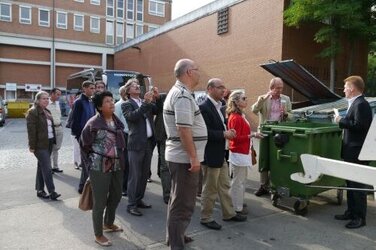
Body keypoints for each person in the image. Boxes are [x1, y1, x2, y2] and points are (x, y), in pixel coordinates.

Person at [163, 58, 208, 249]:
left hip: (181, 158)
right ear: (189, 72)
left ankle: (175, 236)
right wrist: (193, 157)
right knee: (183, 204)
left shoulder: (182, 93)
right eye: (197, 69)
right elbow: (183, 129)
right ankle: (176, 243)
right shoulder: (181, 95)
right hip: (184, 159)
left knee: (177, 199)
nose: (199, 72)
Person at [199, 78, 247, 231]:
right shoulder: (204, 107)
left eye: (224, 87)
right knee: (210, 189)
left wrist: (228, 132)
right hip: (210, 155)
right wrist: (223, 134)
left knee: (225, 186)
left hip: (220, 154)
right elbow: (202, 132)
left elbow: (221, 127)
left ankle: (229, 213)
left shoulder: (220, 106)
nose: (223, 90)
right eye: (220, 87)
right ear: (210, 89)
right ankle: (206, 218)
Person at [80, 91, 126, 247]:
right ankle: (98, 234)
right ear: (100, 106)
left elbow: (121, 144)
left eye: (112, 100)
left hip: (117, 164)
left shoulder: (117, 122)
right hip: (98, 166)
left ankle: (108, 223)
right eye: (107, 101)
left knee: (117, 195)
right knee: (100, 201)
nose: (112, 103)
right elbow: (84, 145)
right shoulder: (93, 124)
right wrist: (89, 165)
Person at [333, 76, 372, 229]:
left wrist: (340, 121)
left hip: (358, 152)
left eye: (345, 87)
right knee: (350, 184)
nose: (343, 90)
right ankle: (350, 211)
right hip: (352, 151)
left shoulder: (361, 104)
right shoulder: (355, 103)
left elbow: (361, 126)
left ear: (353, 88)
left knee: (357, 186)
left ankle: (359, 218)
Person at [121, 78, 159, 216]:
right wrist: (146, 103)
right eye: (133, 86)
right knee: (134, 176)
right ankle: (131, 205)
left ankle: (138, 199)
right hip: (136, 144)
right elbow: (132, 117)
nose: (137, 87)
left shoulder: (144, 102)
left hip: (148, 143)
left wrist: (155, 98)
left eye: (138, 85)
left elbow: (156, 109)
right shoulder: (126, 104)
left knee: (143, 175)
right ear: (128, 91)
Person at [251, 77, 291, 196]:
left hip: (280, 132)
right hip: (265, 131)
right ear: (271, 88)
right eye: (277, 88)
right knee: (264, 159)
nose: (280, 90)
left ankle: (276, 184)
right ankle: (263, 185)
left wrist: (286, 114)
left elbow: (292, 116)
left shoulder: (286, 99)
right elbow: (254, 110)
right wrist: (263, 99)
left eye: (281, 88)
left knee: (278, 158)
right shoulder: (263, 98)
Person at [227, 90, 262, 215]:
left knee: (241, 181)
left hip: (243, 152)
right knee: (238, 182)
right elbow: (234, 138)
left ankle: (238, 203)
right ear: (236, 101)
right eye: (243, 98)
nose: (246, 100)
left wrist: (252, 135)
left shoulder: (240, 115)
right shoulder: (235, 117)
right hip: (239, 153)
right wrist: (252, 135)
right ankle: (236, 207)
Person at [26, 91, 61, 200]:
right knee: (47, 167)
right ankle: (52, 192)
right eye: (44, 99)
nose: (46, 100)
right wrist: (32, 146)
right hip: (40, 145)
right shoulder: (32, 112)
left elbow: (50, 127)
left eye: (47, 98)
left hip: (49, 142)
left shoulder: (46, 110)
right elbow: (31, 132)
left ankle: (40, 190)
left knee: (41, 167)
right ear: (37, 100)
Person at [71, 80, 96, 193]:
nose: (93, 90)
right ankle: (83, 187)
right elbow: (75, 121)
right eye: (91, 88)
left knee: (88, 162)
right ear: (84, 88)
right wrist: (78, 136)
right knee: (86, 163)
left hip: (91, 135)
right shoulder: (78, 102)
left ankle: (84, 186)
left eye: (93, 88)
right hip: (82, 136)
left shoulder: (91, 101)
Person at [154, 93, 171, 204]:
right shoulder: (162, 111)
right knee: (165, 167)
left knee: (165, 167)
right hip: (165, 140)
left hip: (167, 141)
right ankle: (168, 195)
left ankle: (169, 193)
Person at [114, 85, 130, 197]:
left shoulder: (129, 104)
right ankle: (122, 187)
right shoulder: (118, 105)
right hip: (123, 135)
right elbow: (116, 123)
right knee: (124, 162)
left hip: (130, 135)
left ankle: (127, 185)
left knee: (129, 163)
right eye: (125, 92)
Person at [47, 88, 64, 173]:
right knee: (49, 149)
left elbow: (59, 115)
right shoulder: (46, 103)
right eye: (57, 94)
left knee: (56, 149)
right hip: (51, 129)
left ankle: (55, 167)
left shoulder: (57, 103)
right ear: (52, 94)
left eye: (60, 94)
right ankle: (49, 168)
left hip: (59, 128)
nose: (59, 96)